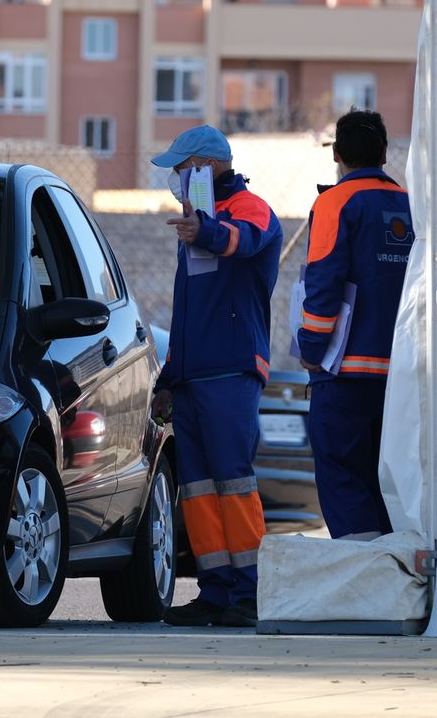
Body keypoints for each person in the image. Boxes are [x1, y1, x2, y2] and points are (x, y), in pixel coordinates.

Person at [149, 125, 283, 628]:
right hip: (193, 374)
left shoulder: (248, 207)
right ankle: (215, 591)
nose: (176, 179)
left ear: (207, 166)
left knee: (232, 482)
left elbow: (246, 242)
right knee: (200, 490)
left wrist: (203, 231)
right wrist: (168, 377)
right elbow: (189, 312)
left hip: (230, 370)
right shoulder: (195, 222)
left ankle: (248, 595)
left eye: (181, 170)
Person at [297, 110, 414, 541]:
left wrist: (311, 349)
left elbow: (323, 282)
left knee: (344, 479)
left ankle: (367, 584)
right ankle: (400, 580)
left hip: (345, 373)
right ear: (384, 154)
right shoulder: (411, 204)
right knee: (392, 485)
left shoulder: (335, 203)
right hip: (404, 375)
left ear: (339, 154)